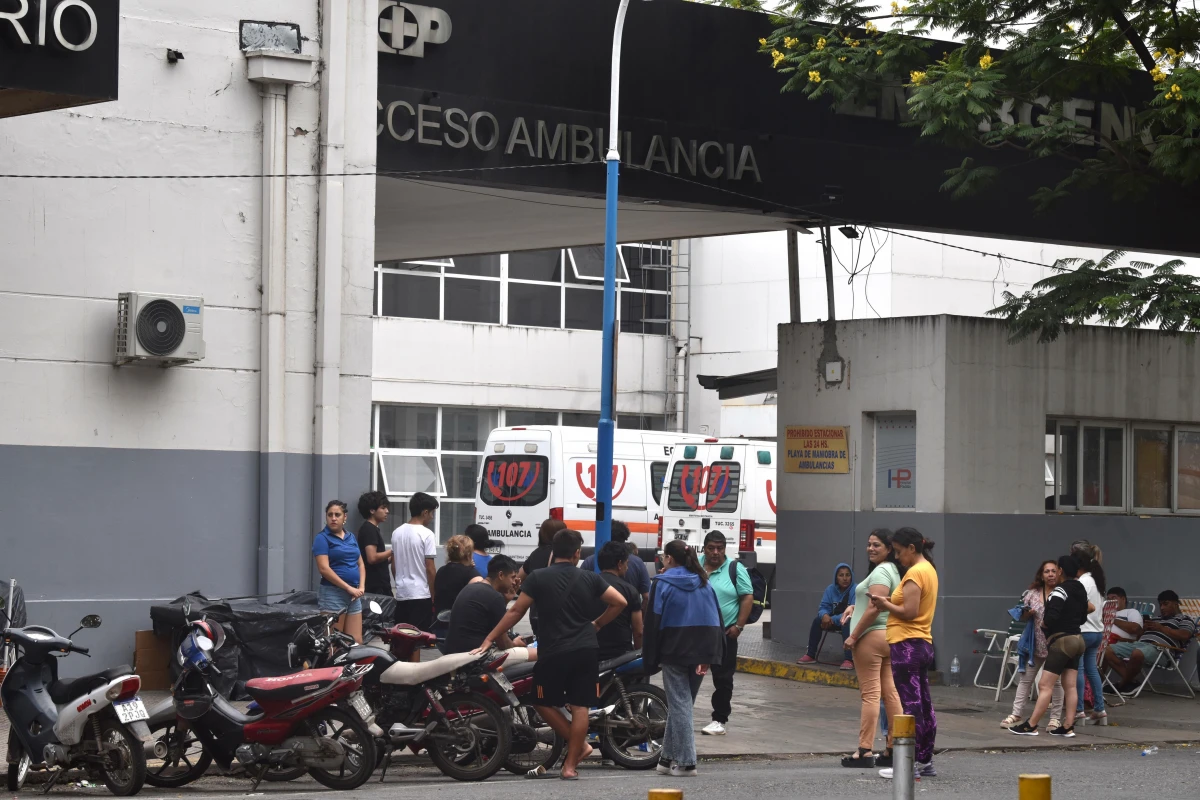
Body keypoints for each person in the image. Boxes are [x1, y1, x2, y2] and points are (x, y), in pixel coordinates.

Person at [473, 528, 627, 780]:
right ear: (577, 553)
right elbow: (619, 601)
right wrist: (598, 624)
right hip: (586, 650)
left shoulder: (538, 577)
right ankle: (570, 766)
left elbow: (515, 612)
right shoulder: (590, 578)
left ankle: (577, 747)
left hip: (553, 651)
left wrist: (489, 638)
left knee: (541, 702)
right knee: (580, 707)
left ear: (554, 552)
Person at [643, 539, 725, 778]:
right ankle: (667, 759)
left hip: (675, 648)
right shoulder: (704, 582)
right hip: (704, 649)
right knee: (683, 704)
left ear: (669, 558)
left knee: (679, 705)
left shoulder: (661, 583)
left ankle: (687, 762)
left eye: (663, 556)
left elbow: (653, 622)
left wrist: (650, 656)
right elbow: (717, 618)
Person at [870, 527, 938, 779]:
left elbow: (909, 611)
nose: (897, 557)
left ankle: (910, 763)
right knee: (923, 704)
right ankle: (925, 761)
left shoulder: (915, 573)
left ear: (912, 548)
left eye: (898, 552)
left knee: (911, 707)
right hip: (921, 643)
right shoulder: (929, 569)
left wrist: (884, 603)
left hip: (906, 644)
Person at [839, 529, 903, 768]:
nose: (870, 548)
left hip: (870, 639)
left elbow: (876, 607)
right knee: (890, 693)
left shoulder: (883, 570)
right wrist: (854, 607)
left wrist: (853, 636)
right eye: (868, 544)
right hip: (887, 638)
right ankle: (895, 747)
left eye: (877, 545)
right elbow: (876, 602)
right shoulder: (893, 570)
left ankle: (865, 750)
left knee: (871, 695)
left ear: (889, 548)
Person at [1008, 554, 1090, 738]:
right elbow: (1084, 614)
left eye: (1056, 569)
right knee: (1070, 686)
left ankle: (1031, 725)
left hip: (1061, 641)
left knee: (1045, 685)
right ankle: (1067, 726)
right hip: (1078, 639)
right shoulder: (1080, 589)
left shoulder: (1059, 591)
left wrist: (1045, 625)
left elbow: (1051, 616)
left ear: (1061, 571)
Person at [1000, 560, 1065, 731]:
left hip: (1055, 645)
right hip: (1035, 644)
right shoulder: (1033, 593)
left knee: (1056, 683)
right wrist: (1028, 614)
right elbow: (1022, 617)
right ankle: (1016, 714)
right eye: (1046, 571)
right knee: (1025, 679)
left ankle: (1055, 719)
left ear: (1059, 573)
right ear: (1041, 575)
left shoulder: (1063, 593)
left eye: (1053, 571)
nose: (1050, 574)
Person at [698, 531, 753, 737]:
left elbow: (747, 597)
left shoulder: (735, 568)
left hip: (725, 633)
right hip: (696, 632)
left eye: (720, 548)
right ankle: (681, 715)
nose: (715, 552)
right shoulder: (694, 566)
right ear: (704, 548)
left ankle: (719, 719)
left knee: (723, 678)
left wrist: (738, 627)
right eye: (711, 548)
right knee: (687, 674)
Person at [1103, 590, 1197, 690]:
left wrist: (1161, 628)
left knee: (1137, 653)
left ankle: (1121, 685)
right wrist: (1143, 631)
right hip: (1139, 645)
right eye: (1160, 604)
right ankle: (1131, 682)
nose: (1162, 608)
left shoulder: (1185, 619)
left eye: (1165, 604)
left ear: (1175, 604)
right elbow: (1139, 638)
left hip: (1161, 651)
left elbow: (1185, 635)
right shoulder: (1156, 619)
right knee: (1106, 650)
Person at [443, 555, 529, 655]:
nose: (514, 582)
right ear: (501, 575)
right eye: (512, 577)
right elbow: (503, 643)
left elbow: (493, 620)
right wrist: (515, 644)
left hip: (453, 651)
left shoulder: (471, 588)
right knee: (533, 654)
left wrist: (505, 600)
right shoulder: (494, 597)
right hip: (473, 654)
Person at [311, 500, 366, 643]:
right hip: (333, 594)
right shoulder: (322, 538)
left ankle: (351, 666)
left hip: (354, 595)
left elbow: (360, 564)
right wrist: (348, 588)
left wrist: (361, 587)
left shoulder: (351, 537)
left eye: (337, 514)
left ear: (345, 517)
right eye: (330, 515)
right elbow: (324, 569)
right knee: (334, 642)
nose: (333, 518)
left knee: (356, 641)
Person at [391, 492, 438, 655]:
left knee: (399, 639)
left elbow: (394, 566)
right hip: (420, 594)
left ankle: (397, 675)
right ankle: (413, 679)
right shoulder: (427, 534)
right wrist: (433, 594)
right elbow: (430, 568)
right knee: (415, 643)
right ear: (425, 512)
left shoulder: (396, 532)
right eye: (432, 513)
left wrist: (399, 584)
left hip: (402, 594)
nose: (432, 517)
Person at [1073, 545, 1108, 725]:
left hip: (1083, 631)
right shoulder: (1097, 582)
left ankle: (1078, 711)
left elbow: (1077, 606)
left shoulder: (1082, 583)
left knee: (1078, 671)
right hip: (1097, 632)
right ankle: (1100, 709)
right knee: (1092, 670)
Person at [798, 562, 855, 669]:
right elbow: (823, 606)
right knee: (817, 621)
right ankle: (810, 655)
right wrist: (824, 615)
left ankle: (849, 659)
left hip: (849, 622)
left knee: (847, 621)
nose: (845, 578)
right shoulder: (830, 589)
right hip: (832, 621)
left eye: (848, 575)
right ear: (836, 577)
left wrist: (832, 619)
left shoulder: (855, 590)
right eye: (841, 575)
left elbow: (853, 611)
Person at [581, 521, 651, 606]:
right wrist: (640, 613)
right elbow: (646, 596)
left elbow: (581, 592)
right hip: (628, 616)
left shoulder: (590, 561)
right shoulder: (637, 562)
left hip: (596, 617)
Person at [595, 541, 644, 660]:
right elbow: (638, 632)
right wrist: (638, 655)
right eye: (627, 563)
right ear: (619, 564)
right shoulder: (630, 591)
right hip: (619, 654)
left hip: (591, 650)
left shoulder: (588, 584)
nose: (627, 568)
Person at [517, 518, 566, 636]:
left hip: (535, 613)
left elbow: (518, 578)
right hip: (554, 614)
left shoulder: (535, 553)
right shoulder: (560, 555)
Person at [434, 535, 483, 627]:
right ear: (469, 554)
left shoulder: (441, 571)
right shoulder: (472, 575)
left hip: (439, 624)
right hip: (460, 628)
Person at [355, 491, 394, 597]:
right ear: (372, 510)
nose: (387, 511)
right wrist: (393, 550)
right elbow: (372, 558)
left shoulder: (373, 529)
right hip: (376, 589)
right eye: (383, 508)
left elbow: (379, 561)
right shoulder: (369, 529)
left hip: (380, 587)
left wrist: (393, 557)